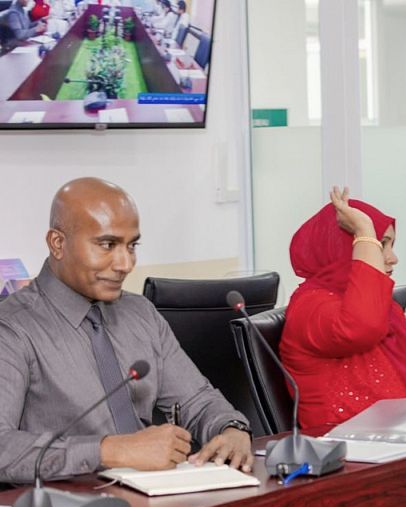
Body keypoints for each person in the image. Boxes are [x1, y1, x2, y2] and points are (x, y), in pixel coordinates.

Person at [0, 178, 253, 484]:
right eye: (107, 245)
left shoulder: (141, 313)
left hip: (155, 495)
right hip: (68, 505)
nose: (126, 264)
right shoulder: (12, 327)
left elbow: (196, 400)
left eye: (132, 246)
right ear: (57, 243)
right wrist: (110, 451)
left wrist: (232, 429)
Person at [279, 187, 406, 431]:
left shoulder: (383, 306)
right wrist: (363, 230)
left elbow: (389, 377)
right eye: (381, 245)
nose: (393, 258)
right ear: (343, 246)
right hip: (349, 448)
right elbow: (361, 328)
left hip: (403, 435)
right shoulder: (310, 306)